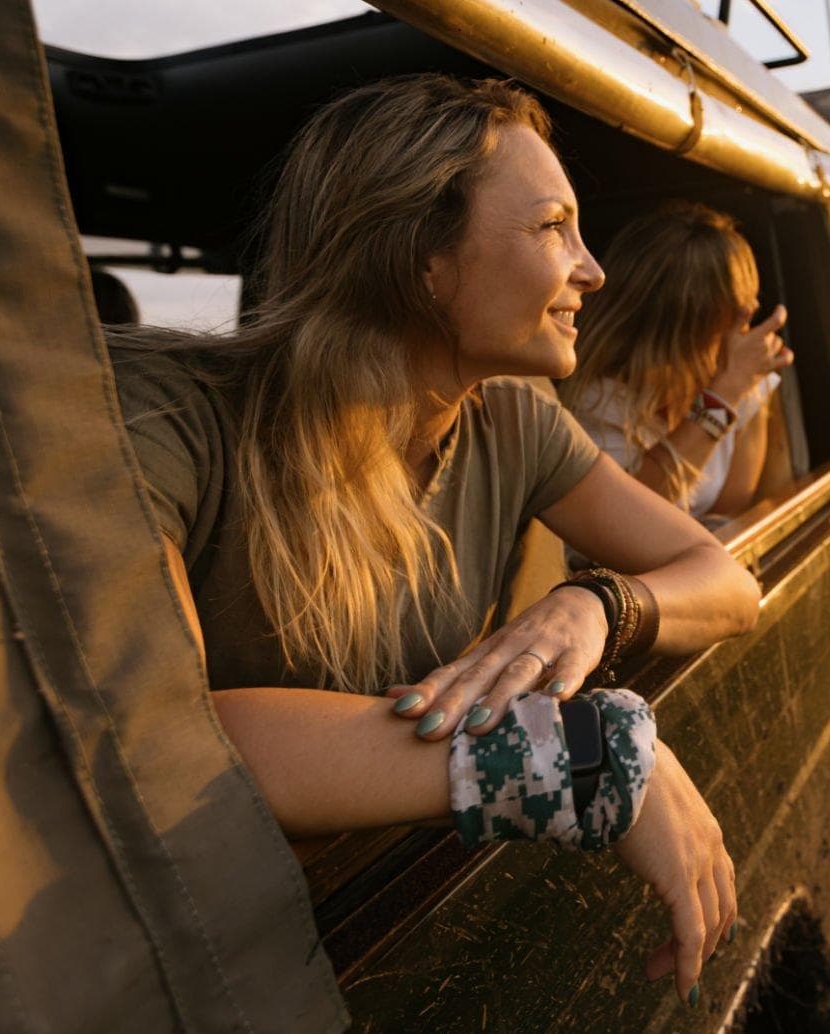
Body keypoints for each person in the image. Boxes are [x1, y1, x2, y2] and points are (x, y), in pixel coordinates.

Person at [108, 75, 757, 1001]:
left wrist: (595, 605)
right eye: (553, 227)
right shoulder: (166, 418)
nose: (593, 271)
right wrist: (582, 756)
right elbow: (161, 736)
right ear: (423, 258)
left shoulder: (513, 425)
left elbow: (725, 582)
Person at [559, 203, 794, 524]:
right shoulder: (593, 402)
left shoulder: (743, 379)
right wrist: (720, 400)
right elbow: (625, 521)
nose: (744, 327)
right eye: (730, 316)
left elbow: (729, 512)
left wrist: (734, 390)